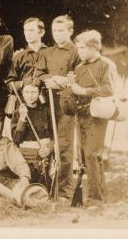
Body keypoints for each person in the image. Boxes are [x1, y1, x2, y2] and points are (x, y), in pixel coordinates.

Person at [35, 15, 81, 201]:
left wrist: (64, 82)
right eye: (54, 31)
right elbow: (38, 74)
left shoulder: (77, 52)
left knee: (64, 148)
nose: (57, 34)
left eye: (61, 30)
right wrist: (49, 80)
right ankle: (46, 188)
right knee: (46, 145)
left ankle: (64, 193)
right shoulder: (47, 52)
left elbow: (80, 75)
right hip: (48, 105)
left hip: (67, 107)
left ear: (70, 31)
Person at [68, 30, 117, 205]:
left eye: (82, 48)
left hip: (97, 115)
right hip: (80, 116)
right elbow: (73, 92)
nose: (79, 51)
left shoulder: (106, 64)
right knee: (85, 156)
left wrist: (84, 91)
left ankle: (96, 200)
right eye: (78, 48)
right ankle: (97, 196)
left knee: (91, 154)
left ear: (95, 47)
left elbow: (109, 89)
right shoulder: (79, 68)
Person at [11, 78, 53, 185]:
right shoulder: (17, 112)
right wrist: (22, 118)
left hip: (44, 154)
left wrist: (49, 148)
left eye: (34, 92)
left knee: (46, 184)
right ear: (22, 93)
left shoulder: (47, 110)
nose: (30, 95)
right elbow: (16, 139)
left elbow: (55, 136)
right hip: (26, 156)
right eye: (27, 92)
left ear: (39, 92)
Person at [6, 17, 47, 91]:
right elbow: (9, 84)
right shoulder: (18, 57)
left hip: (47, 98)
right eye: (26, 30)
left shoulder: (50, 54)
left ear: (41, 32)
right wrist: (23, 83)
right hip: (24, 100)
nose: (28, 33)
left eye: (31, 30)